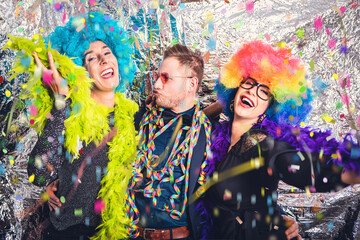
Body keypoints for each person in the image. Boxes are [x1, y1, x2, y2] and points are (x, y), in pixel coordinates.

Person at [125, 43, 300, 240]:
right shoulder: (139, 121)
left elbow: (243, 182)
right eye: (157, 77)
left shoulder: (212, 136)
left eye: (166, 78)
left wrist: (278, 217)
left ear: (191, 84)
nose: (156, 84)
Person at [200, 40, 359, 240]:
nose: (251, 91)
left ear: (272, 108)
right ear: (235, 88)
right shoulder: (214, 135)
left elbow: (293, 163)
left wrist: (348, 169)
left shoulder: (264, 144)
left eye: (264, 91)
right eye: (248, 83)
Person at [19, 12, 138, 239]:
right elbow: (38, 175)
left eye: (107, 52)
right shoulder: (70, 115)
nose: (103, 59)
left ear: (118, 60)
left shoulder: (134, 117)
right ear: (80, 73)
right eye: (91, 58)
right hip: (68, 234)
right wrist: (60, 104)